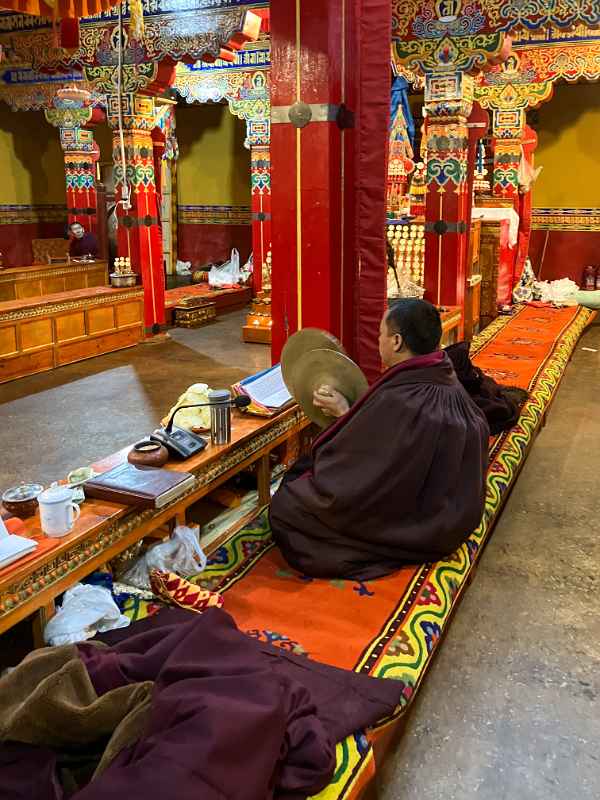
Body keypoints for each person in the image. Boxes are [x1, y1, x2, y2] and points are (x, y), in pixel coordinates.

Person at [270, 299, 490, 581]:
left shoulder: (402, 398)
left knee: (288, 506)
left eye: (380, 335)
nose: (378, 341)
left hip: (423, 523)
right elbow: (391, 444)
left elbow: (370, 465)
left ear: (396, 342)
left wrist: (344, 414)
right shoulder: (440, 372)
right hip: (455, 514)